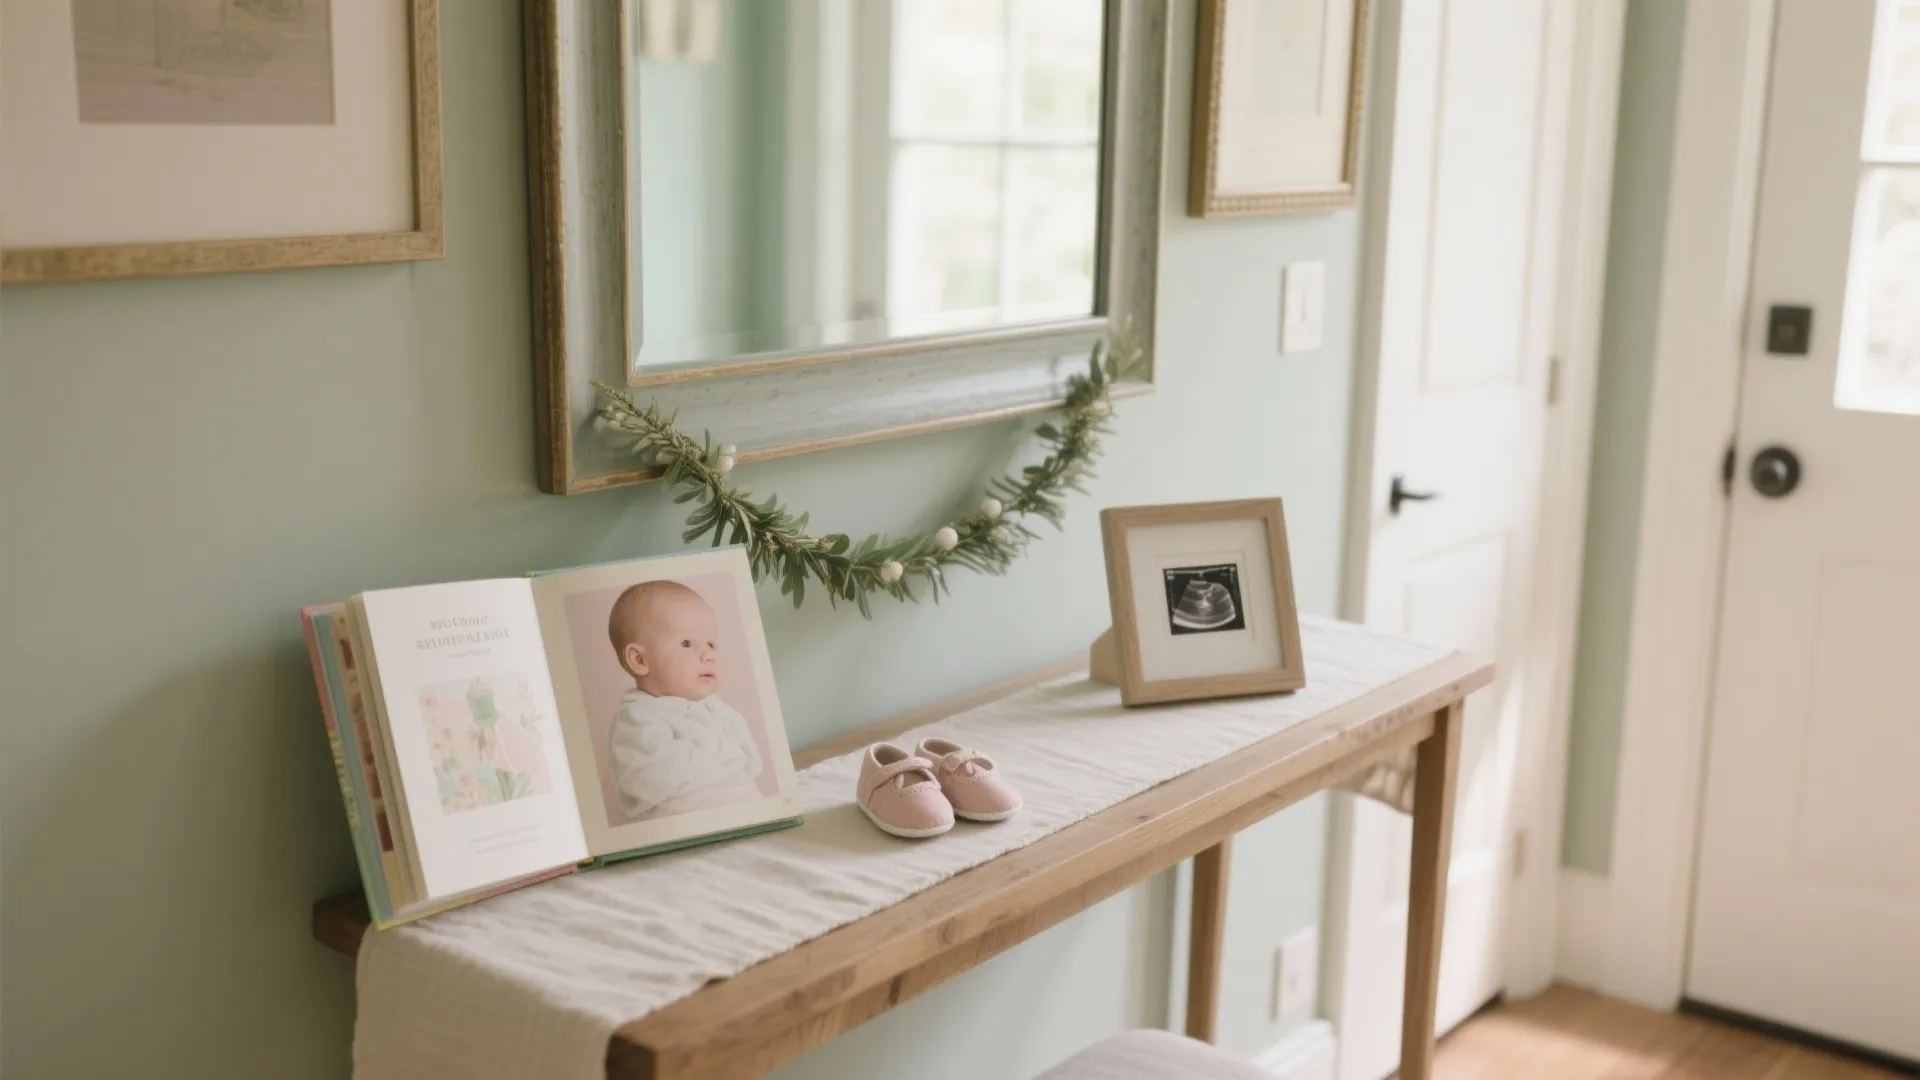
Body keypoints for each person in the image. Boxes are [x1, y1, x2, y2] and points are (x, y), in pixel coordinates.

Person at [604, 580, 764, 819]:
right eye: (687, 643)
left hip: (747, 812)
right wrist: (723, 751)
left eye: (711, 644)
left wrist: (721, 755)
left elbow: (752, 762)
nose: (709, 655)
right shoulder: (637, 718)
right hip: (687, 826)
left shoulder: (716, 708)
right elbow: (653, 778)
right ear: (639, 660)